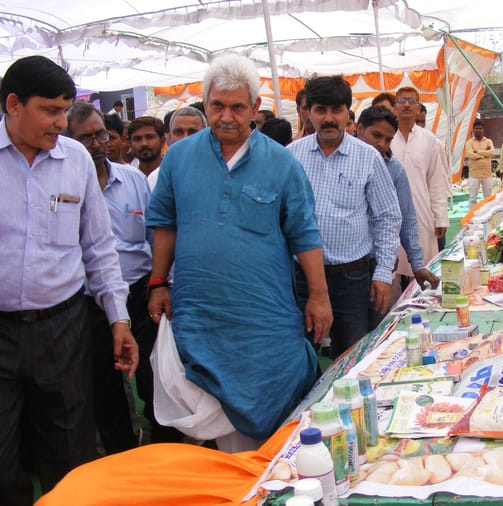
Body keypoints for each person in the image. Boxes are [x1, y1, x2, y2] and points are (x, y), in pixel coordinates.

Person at [146, 54, 332, 450]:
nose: (226, 117)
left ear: (255, 107)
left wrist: (319, 296)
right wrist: (158, 281)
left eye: (237, 107)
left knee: (276, 407)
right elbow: (165, 223)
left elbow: (305, 234)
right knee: (208, 404)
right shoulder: (178, 158)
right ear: (205, 103)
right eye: (217, 106)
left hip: (263, 318)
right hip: (201, 314)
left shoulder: (282, 163)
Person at [0, 55, 138, 506]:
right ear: (14, 104)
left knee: (69, 450)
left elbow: (99, 246)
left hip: (62, 329)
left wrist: (118, 319)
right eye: (50, 110)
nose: (61, 123)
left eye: (64, 110)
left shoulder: (74, 159)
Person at [66, 101, 183, 451]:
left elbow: (156, 236)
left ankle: (165, 448)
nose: (97, 144)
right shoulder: (66, 184)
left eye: (101, 134)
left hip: (139, 294)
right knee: (105, 384)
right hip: (91, 303)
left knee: (154, 376)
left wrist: (161, 283)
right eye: (86, 138)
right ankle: (122, 452)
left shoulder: (133, 180)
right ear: (69, 142)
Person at [289, 76, 401, 359]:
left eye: (337, 110)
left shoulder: (367, 157)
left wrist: (383, 272)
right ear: (307, 112)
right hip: (302, 277)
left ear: (348, 113)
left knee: (352, 354)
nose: (329, 118)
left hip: (352, 278)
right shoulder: (291, 157)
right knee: (299, 353)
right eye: (320, 110)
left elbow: (387, 217)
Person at [357, 105, 439, 329]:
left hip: (377, 264)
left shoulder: (394, 169)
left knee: (373, 329)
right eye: (376, 136)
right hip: (342, 267)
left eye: (388, 139)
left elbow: (406, 219)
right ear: (359, 129)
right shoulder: (343, 162)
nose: (381, 144)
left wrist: (417, 263)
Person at [391, 86, 450, 291]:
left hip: (421, 212)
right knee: (392, 270)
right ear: (395, 106)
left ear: (418, 108)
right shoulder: (386, 137)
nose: (407, 105)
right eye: (402, 100)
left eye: (412, 101)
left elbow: (436, 181)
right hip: (390, 212)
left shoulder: (429, 140)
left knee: (422, 265)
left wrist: (440, 217)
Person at [147, 107, 207, 190]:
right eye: (179, 132)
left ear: (206, 135)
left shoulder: (220, 173)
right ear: (169, 137)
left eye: (192, 132)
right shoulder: (156, 178)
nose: (185, 138)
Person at [464, 119, 494, 207]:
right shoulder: (469, 143)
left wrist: (477, 151)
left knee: (488, 197)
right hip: (474, 174)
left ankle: (488, 213)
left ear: (483, 130)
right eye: (476, 128)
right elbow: (470, 154)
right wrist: (484, 155)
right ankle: (472, 214)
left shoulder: (488, 141)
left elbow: (491, 152)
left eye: (480, 128)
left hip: (487, 174)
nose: (478, 130)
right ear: (473, 130)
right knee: (473, 198)